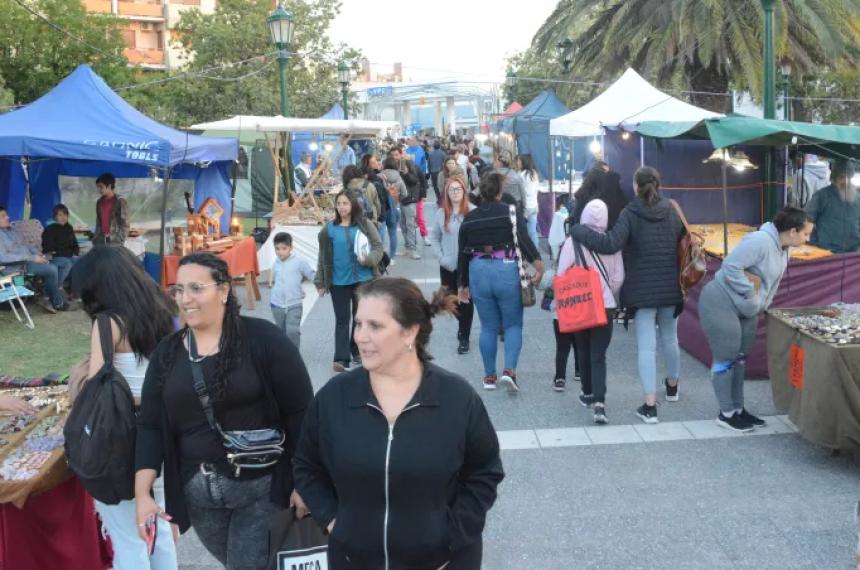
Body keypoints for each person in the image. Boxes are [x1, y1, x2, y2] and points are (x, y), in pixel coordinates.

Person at [293, 278, 504, 569]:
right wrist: (334, 522)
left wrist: (453, 534)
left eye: (375, 326)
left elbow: (484, 472)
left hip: (443, 562)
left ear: (410, 333)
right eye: (358, 324)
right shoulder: (334, 398)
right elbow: (306, 466)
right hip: (353, 560)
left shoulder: (456, 399)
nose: (360, 337)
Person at [135, 253, 314, 570]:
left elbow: (302, 413)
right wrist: (143, 494)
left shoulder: (264, 340)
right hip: (198, 495)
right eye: (178, 290)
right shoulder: (167, 353)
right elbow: (149, 425)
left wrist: (305, 482)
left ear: (224, 290)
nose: (185, 299)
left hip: (261, 488)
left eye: (196, 288)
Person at [70, 246, 179, 570]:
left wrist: (78, 376)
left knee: (127, 536)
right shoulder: (163, 309)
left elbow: (96, 389)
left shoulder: (108, 322)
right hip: (163, 432)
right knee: (157, 525)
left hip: (123, 439)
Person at [570, 166, 684, 424]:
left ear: (635, 186)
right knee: (670, 338)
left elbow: (610, 243)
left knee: (646, 346)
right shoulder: (672, 210)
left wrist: (579, 230)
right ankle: (673, 387)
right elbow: (681, 240)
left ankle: (650, 406)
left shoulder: (630, 213)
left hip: (643, 291)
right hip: (670, 286)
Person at [699, 207, 813, 432]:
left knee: (741, 358)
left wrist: (760, 305)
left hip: (748, 309)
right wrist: (751, 296)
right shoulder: (760, 241)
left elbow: (773, 283)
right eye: (806, 233)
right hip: (720, 301)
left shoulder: (785, 248)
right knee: (726, 357)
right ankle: (726, 413)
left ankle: (738, 409)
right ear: (792, 231)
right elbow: (730, 265)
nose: (808, 238)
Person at [458, 172, 544, 392]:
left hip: (478, 270)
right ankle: (509, 371)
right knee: (513, 324)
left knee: (487, 326)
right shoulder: (510, 213)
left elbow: (462, 253)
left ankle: (489, 377)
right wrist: (538, 265)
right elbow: (524, 240)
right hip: (505, 268)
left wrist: (462, 285)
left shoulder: (470, 218)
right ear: (499, 191)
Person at [556, 199, 625, 424]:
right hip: (604, 307)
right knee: (598, 355)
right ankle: (599, 403)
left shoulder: (571, 242)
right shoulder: (611, 243)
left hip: (579, 303)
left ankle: (586, 393)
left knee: (583, 349)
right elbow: (618, 278)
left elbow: (561, 274)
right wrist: (604, 292)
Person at [314, 190, 385, 372]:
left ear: (353, 205)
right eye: (339, 204)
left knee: (360, 319)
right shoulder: (328, 229)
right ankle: (341, 358)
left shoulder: (364, 224)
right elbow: (322, 256)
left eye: (345, 203)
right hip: (338, 281)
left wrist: (368, 260)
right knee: (342, 319)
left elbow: (378, 247)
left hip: (364, 279)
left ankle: (357, 351)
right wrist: (320, 281)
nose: (342, 207)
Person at [430, 175, 475, 355]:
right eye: (451, 189)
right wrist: (441, 257)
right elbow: (434, 237)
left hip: (468, 266)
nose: (455, 192)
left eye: (458, 189)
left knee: (466, 301)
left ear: (464, 191)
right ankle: (462, 325)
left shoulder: (472, 211)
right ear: (446, 193)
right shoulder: (441, 214)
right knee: (450, 300)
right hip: (448, 265)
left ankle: (464, 336)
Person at [0, 206, 72, 312]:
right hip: (20, 266)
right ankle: (57, 302)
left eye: (6, 215)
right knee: (51, 269)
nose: (8, 217)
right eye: (3, 216)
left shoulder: (12, 231)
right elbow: (3, 258)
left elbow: (25, 246)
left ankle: (46, 294)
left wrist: (38, 253)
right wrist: (32, 257)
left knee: (65, 263)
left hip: (31, 259)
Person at [269, 232, 315, 349]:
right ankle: (283, 354)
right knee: (280, 331)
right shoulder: (276, 263)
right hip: (277, 304)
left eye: (284, 248)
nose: (280, 252)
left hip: (294, 303)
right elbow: (274, 275)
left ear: (291, 248)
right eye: (277, 249)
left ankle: (294, 355)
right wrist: (270, 282)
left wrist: (322, 285)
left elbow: (311, 274)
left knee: (292, 331)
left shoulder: (299, 261)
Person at [804, 160, 860, 253]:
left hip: (853, 254)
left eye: (848, 177)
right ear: (834, 178)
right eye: (842, 177)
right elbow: (807, 219)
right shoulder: (822, 196)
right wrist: (814, 242)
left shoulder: (858, 199)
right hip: (826, 252)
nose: (845, 181)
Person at [386, 148, 422, 259]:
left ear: (401, 154)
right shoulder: (392, 166)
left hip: (409, 199)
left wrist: (406, 173)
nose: (395, 157)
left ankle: (413, 249)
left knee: (410, 224)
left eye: (396, 154)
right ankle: (407, 247)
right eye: (392, 155)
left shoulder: (408, 164)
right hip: (399, 199)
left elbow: (415, 180)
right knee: (402, 224)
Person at [361, 154, 399, 261]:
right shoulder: (376, 178)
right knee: (381, 237)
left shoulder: (379, 176)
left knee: (380, 239)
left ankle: (385, 259)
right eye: (373, 162)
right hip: (381, 212)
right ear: (367, 165)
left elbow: (380, 200)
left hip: (382, 212)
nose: (377, 163)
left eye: (376, 161)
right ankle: (386, 258)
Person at [42, 204, 80, 281]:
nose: (63, 217)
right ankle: (58, 286)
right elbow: (49, 248)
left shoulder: (69, 228)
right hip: (54, 257)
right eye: (60, 215)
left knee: (80, 260)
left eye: (65, 215)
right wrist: (66, 253)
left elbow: (74, 244)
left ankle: (74, 285)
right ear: (55, 217)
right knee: (67, 263)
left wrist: (75, 252)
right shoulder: (50, 229)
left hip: (68, 255)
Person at [93, 173, 129, 246]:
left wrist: (119, 240)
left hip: (115, 241)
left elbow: (125, 224)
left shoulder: (120, 201)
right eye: (98, 187)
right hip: (101, 240)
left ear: (109, 186)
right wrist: (96, 238)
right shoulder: (99, 202)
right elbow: (98, 221)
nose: (99, 190)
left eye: (101, 187)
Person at [517, 154, 541, 247]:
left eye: (519, 161)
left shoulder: (521, 175)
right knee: (533, 232)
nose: (518, 163)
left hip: (525, 207)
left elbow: (521, 192)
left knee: (523, 233)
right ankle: (536, 252)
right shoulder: (534, 173)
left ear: (524, 162)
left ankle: (526, 254)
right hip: (534, 205)